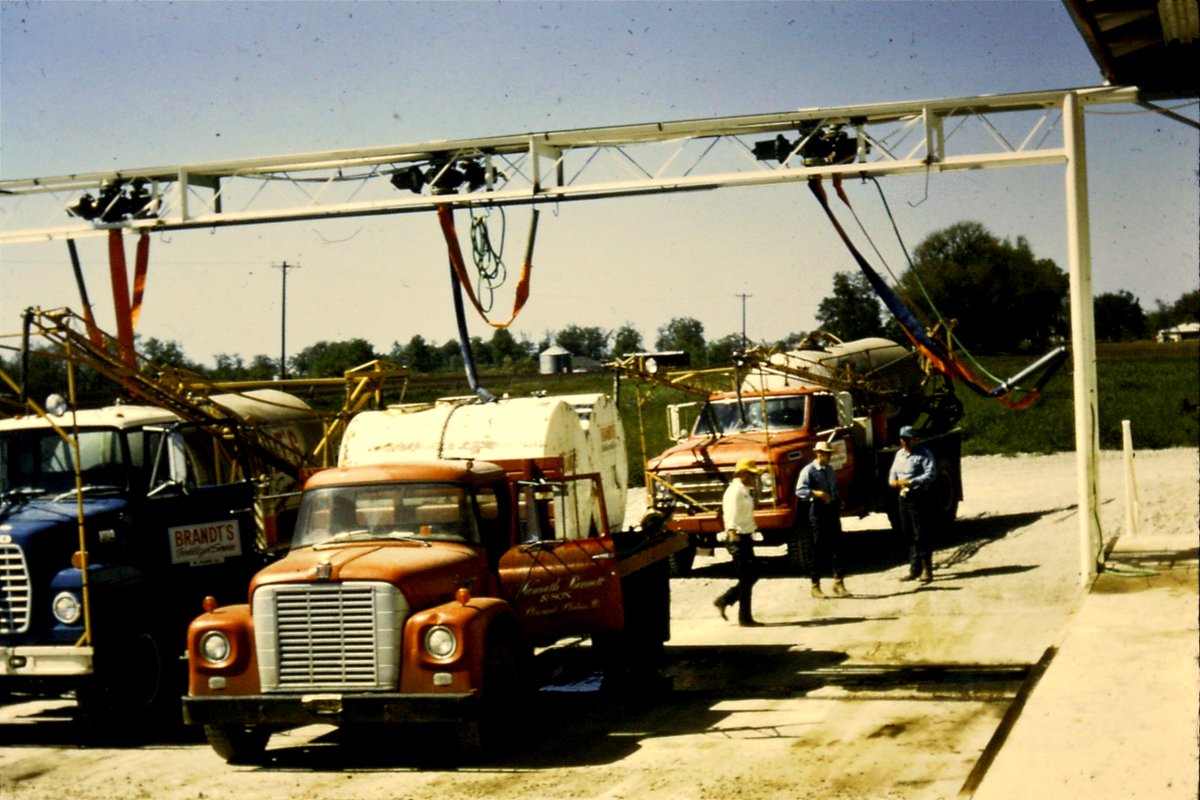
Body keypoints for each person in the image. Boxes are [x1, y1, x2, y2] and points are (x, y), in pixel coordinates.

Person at [794, 441, 849, 599]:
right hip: (818, 511)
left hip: (831, 510)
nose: (827, 456)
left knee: (837, 546)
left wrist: (837, 500)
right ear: (817, 453)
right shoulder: (809, 470)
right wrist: (817, 494)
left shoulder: (830, 469)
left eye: (828, 453)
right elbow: (800, 490)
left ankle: (838, 582)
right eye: (824, 453)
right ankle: (815, 585)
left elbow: (834, 488)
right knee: (818, 548)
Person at [713, 458, 762, 626]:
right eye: (752, 475)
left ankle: (726, 600)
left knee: (750, 575)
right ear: (743, 474)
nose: (754, 478)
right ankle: (744, 617)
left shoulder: (744, 490)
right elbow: (731, 514)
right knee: (747, 576)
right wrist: (732, 533)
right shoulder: (735, 491)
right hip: (737, 537)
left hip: (746, 535)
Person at [889, 425, 938, 584]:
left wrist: (911, 482)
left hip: (919, 496)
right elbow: (893, 472)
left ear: (914, 439)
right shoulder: (899, 454)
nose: (906, 442)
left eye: (908, 439)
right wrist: (893, 481)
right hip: (903, 496)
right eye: (903, 439)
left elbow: (930, 473)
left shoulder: (924, 454)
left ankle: (927, 569)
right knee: (907, 531)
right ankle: (914, 568)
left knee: (921, 532)